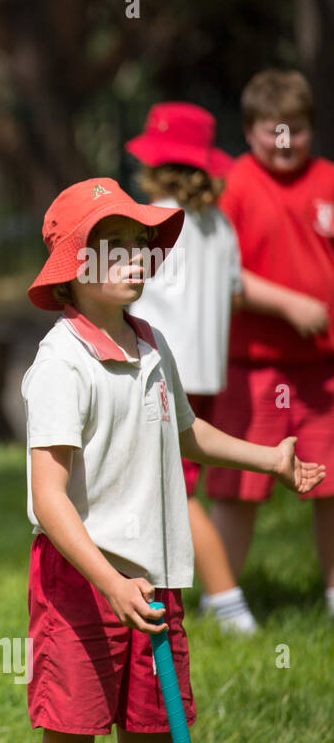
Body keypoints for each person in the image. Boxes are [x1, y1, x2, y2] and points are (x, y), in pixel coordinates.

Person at [20, 177, 324, 743]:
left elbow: (188, 433)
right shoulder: (61, 362)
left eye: (140, 244)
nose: (137, 258)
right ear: (74, 267)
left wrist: (268, 458)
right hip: (83, 587)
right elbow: (49, 499)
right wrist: (109, 582)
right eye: (116, 246)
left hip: (157, 589)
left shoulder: (151, 341)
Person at [125, 102, 257, 632]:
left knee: (176, 491)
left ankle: (228, 601)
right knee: (181, 485)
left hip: (158, 371)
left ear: (157, 165)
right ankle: (193, 593)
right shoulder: (221, 226)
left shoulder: (148, 222)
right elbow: (237, 294)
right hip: (208, 375)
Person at [207, 70, 334, 619]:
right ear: (250, 130)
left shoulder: (328, 179)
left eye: (297, 130)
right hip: (252, 367)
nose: (285, 143)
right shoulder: (234, 185)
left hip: (323, 369)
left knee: (330, 484)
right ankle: (223, 598)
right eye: (272, 130)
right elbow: (222, 271)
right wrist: (288, 303)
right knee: (239, 485)